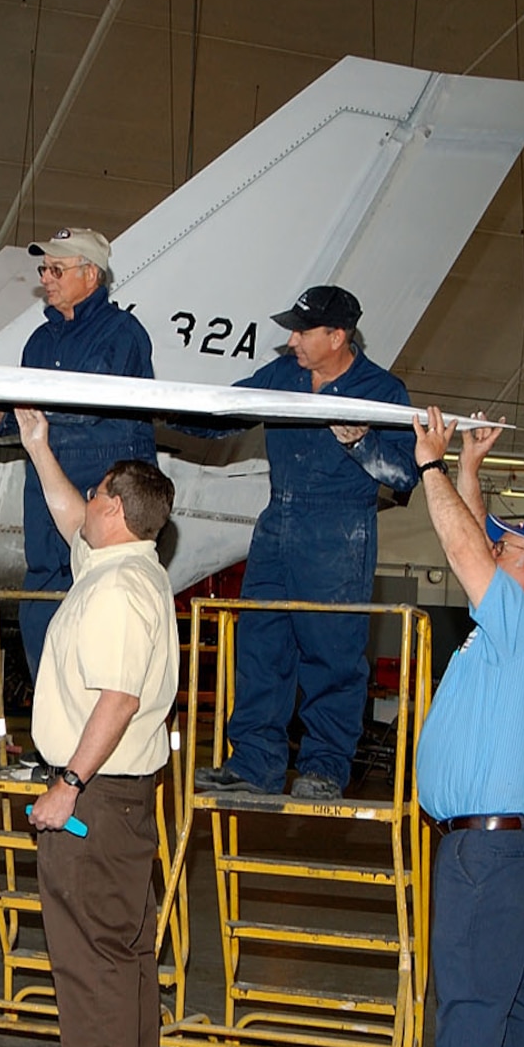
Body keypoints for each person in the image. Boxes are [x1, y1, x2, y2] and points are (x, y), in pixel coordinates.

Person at [373, 407, 524, 1047]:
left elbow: (466, 548)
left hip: (488, 851)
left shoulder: (522, 625)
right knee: (516, 989)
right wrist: (468, 470)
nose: (497, 544)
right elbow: (477, 536)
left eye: (513, 545)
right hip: (517, 847)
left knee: (466, 990)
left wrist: (428, 466)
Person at [16, 407, 179, 1047]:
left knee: (89, 962)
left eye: (96, 494)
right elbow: (64, 515)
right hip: (122, 797)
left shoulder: (118, 592)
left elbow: (116, 699)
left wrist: (67, 785)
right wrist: (39, 447)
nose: (85, 499)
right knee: (126, 957)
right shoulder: (124, 568)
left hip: (97, 798)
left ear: (113, 507)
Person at [192, 285, 418, 801]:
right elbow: (231, 408)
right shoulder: (284, 375)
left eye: (302, 330)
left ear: (337, 336)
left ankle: (323, 768)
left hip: (339, 533)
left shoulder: (381, 390)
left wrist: (361, 440)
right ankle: (254, 763)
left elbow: (405, 473)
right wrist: (156, 408)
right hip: (278, 523)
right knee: (261, 646)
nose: (291, 339)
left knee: (332, 654)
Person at [0, 228, 156, 672]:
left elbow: (90, 412)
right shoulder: (39, 342)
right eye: (44, 269)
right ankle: (53, 733)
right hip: (46, 493)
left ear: (90, 274)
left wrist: (28, 417)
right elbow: (30, 422)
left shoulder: (123, 335)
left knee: (101, 607)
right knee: (40, 608)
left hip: (102, 493)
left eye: (56, 269)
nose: (46, 279)